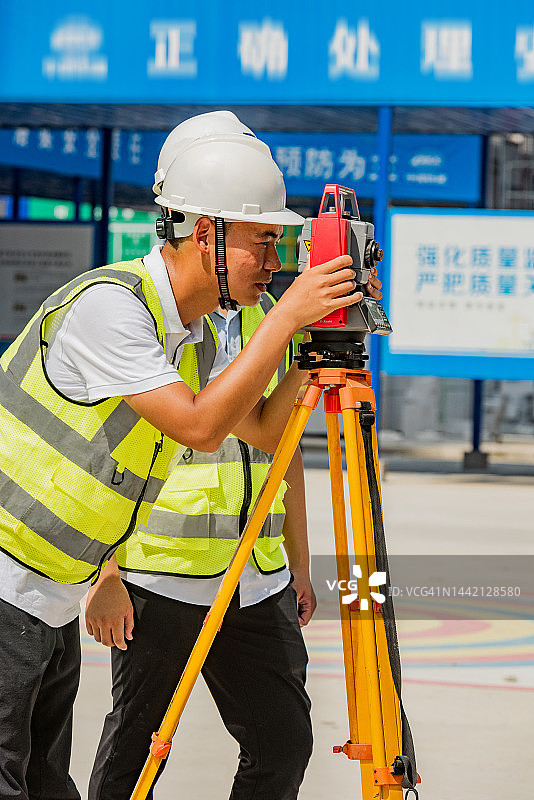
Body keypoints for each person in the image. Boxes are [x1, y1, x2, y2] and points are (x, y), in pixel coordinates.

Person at [0, 111, 381, 800]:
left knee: (42, 784)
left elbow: (265, 432)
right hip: (13, 582)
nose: (276, 262)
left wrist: (318, 340)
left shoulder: (195, 336)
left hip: (47, 595)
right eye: (263, 241)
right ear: (205, 233)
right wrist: (292, 314)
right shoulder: (110, 309)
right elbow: (201, 428)